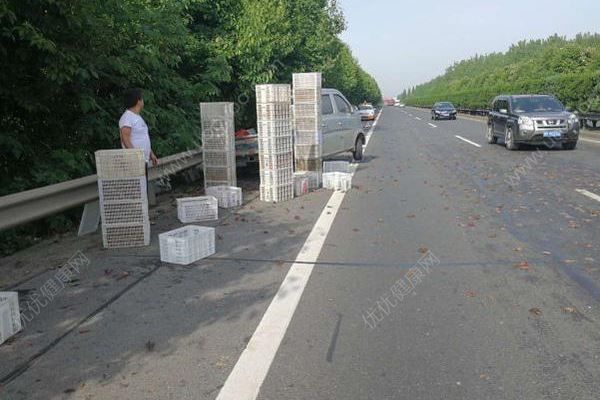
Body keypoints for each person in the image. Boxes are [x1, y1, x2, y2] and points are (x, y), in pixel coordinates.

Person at [119, 88, 158, 166]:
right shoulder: (127, 117)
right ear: (138, 101)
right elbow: (125, 140)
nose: (143, 101)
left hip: (143, 161)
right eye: (142, 99)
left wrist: (151, 154)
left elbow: (143, 137)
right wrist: (136, 157)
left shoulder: (137, 117)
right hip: (134, 163)